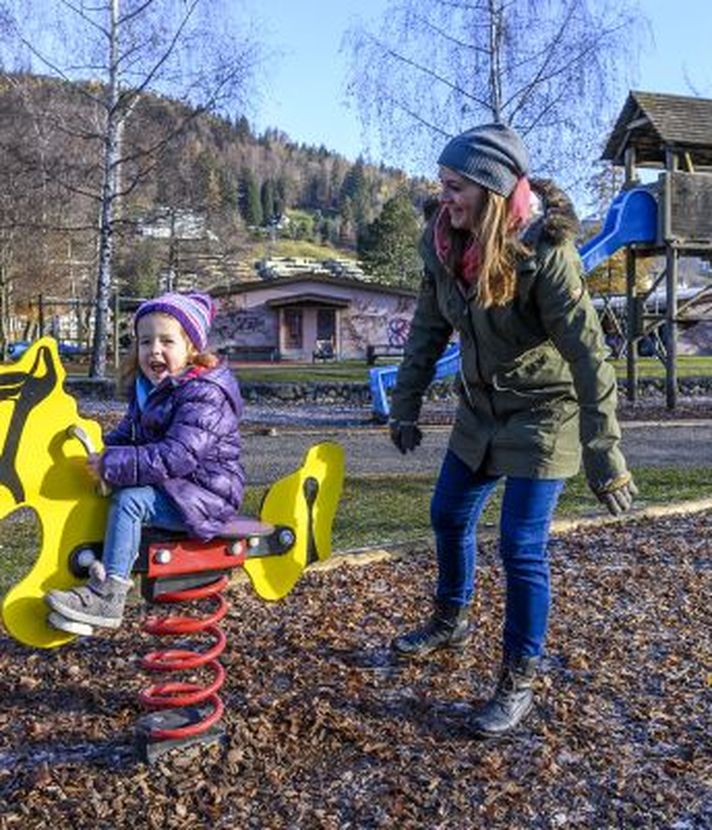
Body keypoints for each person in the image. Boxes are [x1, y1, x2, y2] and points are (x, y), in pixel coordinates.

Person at [388, 123, 637, 738]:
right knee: (448, 513)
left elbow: (588, 356)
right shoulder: (443, 243)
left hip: (544, 413)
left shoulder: (546, 254)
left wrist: (605, 454)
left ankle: (518, 677)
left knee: (520, 547)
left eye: (455, 186)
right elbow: (427, 328)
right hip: (479, 411)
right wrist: (405, 402)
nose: (443, 197)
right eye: (442, 184)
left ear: (492, 189)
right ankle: (453, 617)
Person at [46, 291, 245, 630]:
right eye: (145, 341)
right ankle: (95, 573)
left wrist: (113, 464)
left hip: (207, 497)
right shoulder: (149, 391)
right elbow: (125, 437)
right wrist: (95, 451)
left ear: (192, 349)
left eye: (167, 340)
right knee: (108, 493)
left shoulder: (204, 394)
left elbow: (178, 456)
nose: (154, 349)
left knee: (130, 500)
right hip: (177, 489)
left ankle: (108, 598)